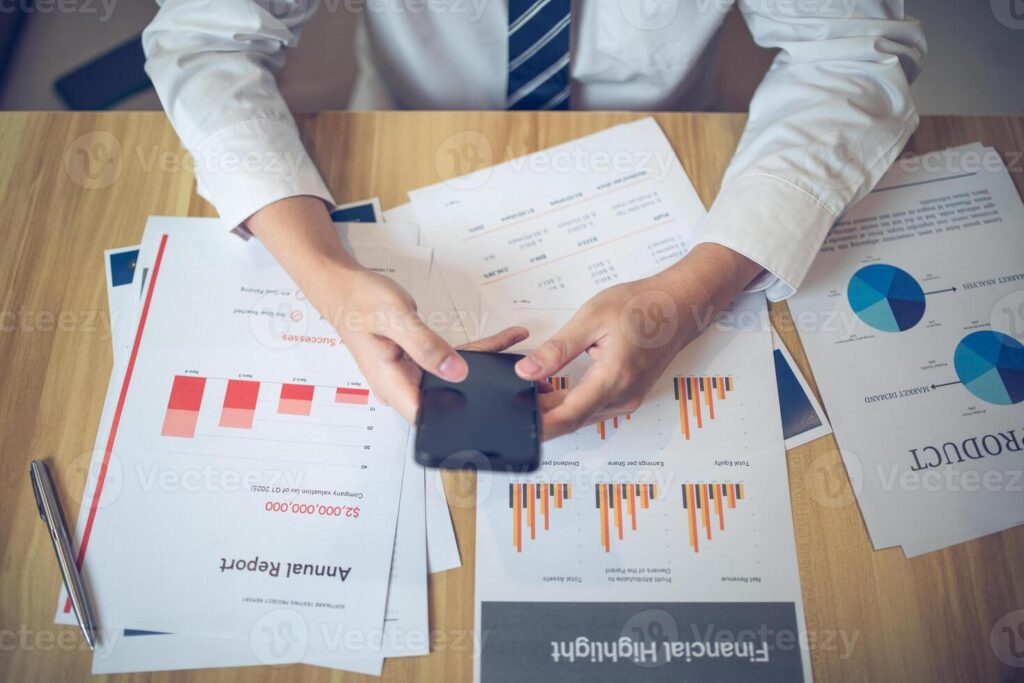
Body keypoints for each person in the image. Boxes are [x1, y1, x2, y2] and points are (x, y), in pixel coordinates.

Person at [142, 1, 926, 439]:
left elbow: (852, 56)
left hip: (671, 144)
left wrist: (693, 294)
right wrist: (331, 282)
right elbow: (207, 41)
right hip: (403, 127)